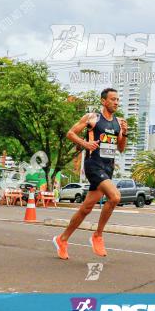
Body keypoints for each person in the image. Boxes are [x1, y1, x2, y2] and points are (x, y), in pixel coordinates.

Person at [53, 87, 127, 260]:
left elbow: (121, 149)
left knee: (86, 208)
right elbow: (70, 133)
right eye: (113, 99)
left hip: (108, 168)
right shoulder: (92, 118)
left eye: (117, 100)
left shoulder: (119, 122)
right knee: (115, 197)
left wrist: (126, 132)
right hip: (93, 165)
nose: (116, 102)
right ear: (103, 101)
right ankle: (98, 235)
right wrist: (85, 144)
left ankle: (62, 239)